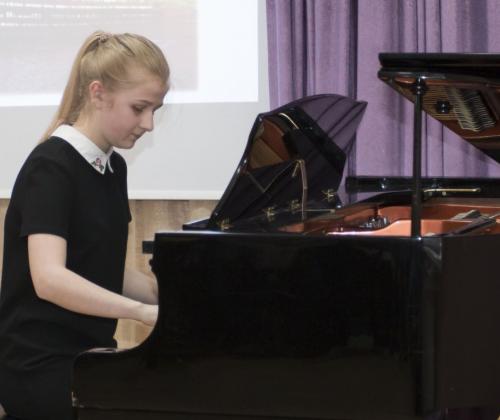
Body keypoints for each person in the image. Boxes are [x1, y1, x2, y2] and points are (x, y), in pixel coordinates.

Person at [0, 31, 169, 420]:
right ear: (98, 93)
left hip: (88, 354)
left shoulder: (112, 167)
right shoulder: (51, 167)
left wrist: (166, 295)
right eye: (139, 108)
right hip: (38, 363)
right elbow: (49, 279)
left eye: (155, 110)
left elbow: (100, 266)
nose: (149, 124)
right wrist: (141, 312)